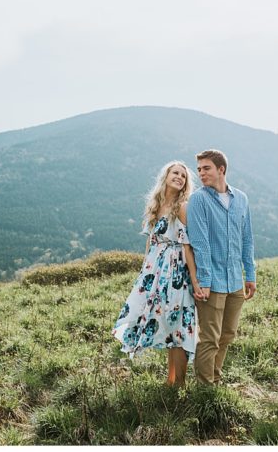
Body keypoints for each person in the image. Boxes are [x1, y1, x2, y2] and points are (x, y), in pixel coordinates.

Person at [113, 161, 201, 387]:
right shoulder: (155, 206)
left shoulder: (182, 207)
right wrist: (145, 271)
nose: (179, 177)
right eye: (175, 173)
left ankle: (179, 383)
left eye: (183, 175)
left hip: (177, 271)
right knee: (165, 322)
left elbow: (187, 245)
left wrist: (193, 277)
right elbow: (150, 242)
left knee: (179, 323)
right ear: (166, 176)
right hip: (155, 272)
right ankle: (170, 380)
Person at [187, 149, 256, 385]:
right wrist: (204, 281)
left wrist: (251, 275)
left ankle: (215, 379)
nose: (201, 173)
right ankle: (206, 390)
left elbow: (247, 239)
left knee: (227, 335)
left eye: (206, 168)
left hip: (235, 280)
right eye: (199, 169)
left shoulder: (242, 199)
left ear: (221, 169)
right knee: (209, 338)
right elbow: (200, 243)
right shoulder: (199, 199)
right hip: (212, 282)